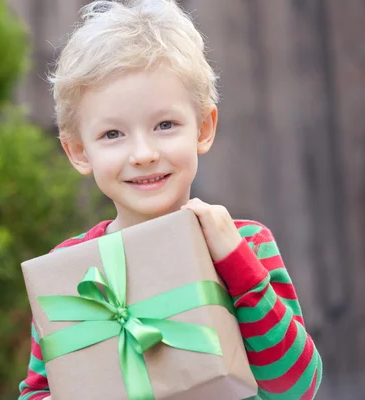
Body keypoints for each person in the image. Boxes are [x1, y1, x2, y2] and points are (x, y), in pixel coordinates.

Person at [18, 1, 322, 399]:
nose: (143, 153)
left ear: (203, 128)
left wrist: (235, 262)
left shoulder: (245, 245)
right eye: (113, 134)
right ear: (77, 151)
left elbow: (295, 386)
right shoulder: (72, 272)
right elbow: (37, 392)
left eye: (165, 125)